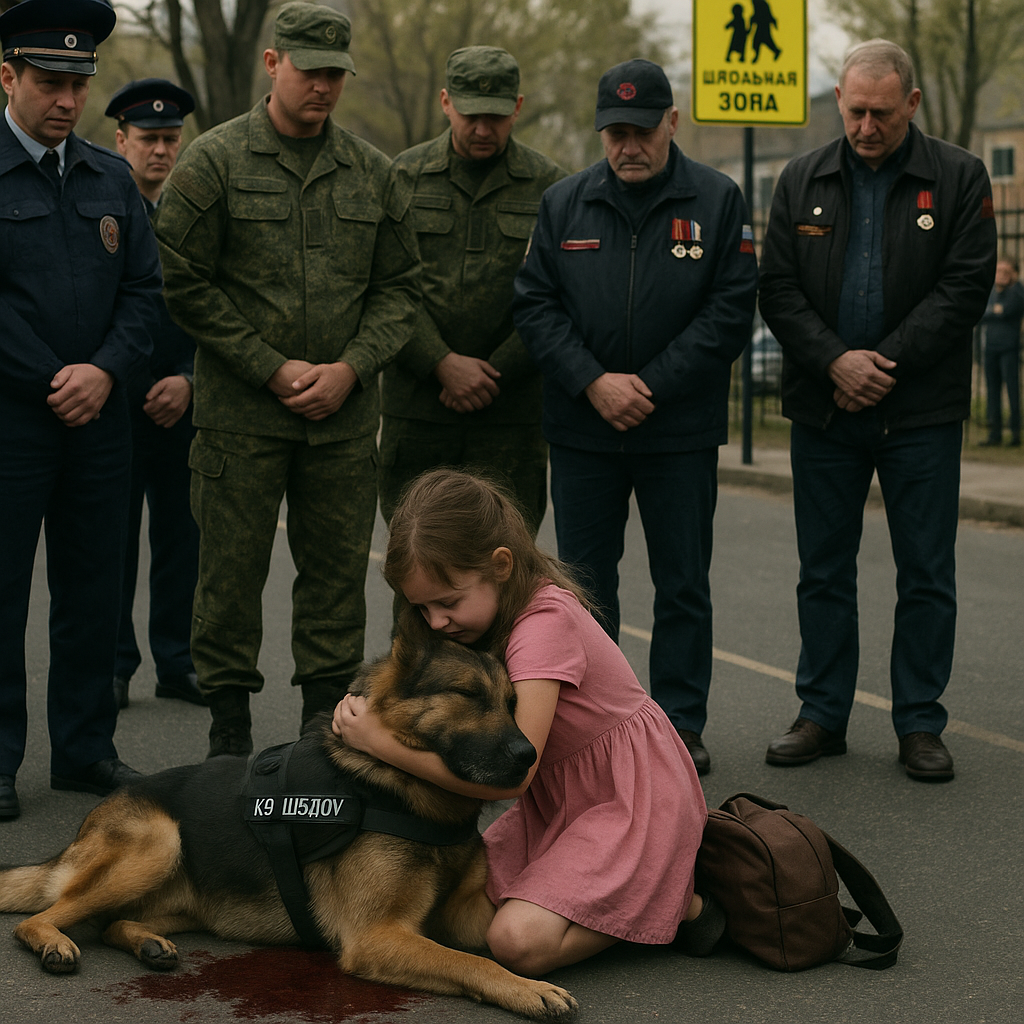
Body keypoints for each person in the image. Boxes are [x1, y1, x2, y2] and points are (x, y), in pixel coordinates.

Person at [155, 3, 420, 756]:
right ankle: (228, 734)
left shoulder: (373, 173)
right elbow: (185, 283)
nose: (324, 87)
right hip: (240, 419)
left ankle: (318, 736)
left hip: (340, 422)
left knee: (336, 579)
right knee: (229, 577)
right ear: (274, 64)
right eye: (310, 71)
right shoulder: (213, 162)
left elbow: (401, 289)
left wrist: (351, 368)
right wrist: (268, 366)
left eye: (336, 73)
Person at [333, 469, 719, 974]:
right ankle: (639, 893)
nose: (435, 622)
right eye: (421, 607)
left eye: (447, 602)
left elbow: (514, 776)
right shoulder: (489, 611)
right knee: (460, 909)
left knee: (515, 942)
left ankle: (677, 904)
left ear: (500, 565)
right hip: (564, 803)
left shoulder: (543, 627)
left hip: (629, 801)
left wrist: (378, 741)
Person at [758, 39, 997, 781]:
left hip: (918, 412)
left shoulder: (958, 178)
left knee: (924, 571)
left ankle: (920, 722)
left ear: (913, 104)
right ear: (839, 101)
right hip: (823, 409)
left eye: (883, 114)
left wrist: (881, 363)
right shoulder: (800, 179)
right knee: (823, 570)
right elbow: (777, 286)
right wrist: (834, 360)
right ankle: (822, 713)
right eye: (856, 111)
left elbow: (965, 286)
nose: (867, 127)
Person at [511, 58, 758, 775]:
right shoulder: (564, 203)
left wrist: (647, 385)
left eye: (642, 130)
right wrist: (593, 382)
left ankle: (680, 724)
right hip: (584, 429)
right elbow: (535, 303)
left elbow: (729, 310)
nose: (629, 145)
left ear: (671, 123)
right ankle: (603, 727)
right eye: (615, 131)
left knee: (683, 581)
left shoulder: (717, 200)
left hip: (676, 431)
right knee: (586, 586)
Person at [0, 0, 162, 819]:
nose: (66, 100)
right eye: (50, 83)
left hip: (101, 420)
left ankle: (85, 749)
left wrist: (102, 373)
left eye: (77, 84)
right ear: (7, 76)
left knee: (95, 587)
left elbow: (143, 291)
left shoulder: (110, 177)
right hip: (12, 420)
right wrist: (53, 378)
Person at [379, 46, 565, 535]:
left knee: (505, 565)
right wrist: (441, 362)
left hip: (510, 416)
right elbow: (385, 284)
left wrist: (492, 373)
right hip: (418, 410)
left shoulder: (551, 188)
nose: (483, 129)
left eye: (496, 116)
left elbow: (559, 294)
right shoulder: (402, 176)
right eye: (470, 115)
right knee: (416, 563)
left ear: (518, 108)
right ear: (445, 102)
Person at [105, 78, 204, 709]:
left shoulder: (195, 212)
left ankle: (178, 660)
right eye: (149, 139)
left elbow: (218, 307)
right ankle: (114, 665)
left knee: (183, 540)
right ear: (122, 141)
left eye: (171, 139)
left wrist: (192, 381)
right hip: (117, 402)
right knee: (113, 541)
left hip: (185, 403)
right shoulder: (104, 204)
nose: (161, 150)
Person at [979, 256, 1023, 447]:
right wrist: (993, 311)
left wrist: (993, 312)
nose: (1001, 275)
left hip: (1009, 348)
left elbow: (1006, 311)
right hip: (990, 348)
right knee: (992, 390)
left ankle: (1015, 433)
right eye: (998, 271)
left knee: (1012, 391)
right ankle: (994, 433)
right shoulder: (991, 292)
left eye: (1006, 271)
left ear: (1014, 274)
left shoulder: (1017, 292)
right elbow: (980, 314)